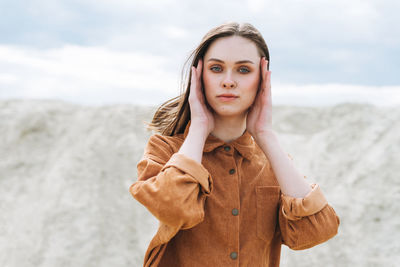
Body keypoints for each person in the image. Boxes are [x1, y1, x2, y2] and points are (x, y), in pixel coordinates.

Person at [129, 22, 340, 267]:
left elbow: (317, 232)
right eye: (216, 68)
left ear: (262, 79)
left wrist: (265, 134)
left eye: (243, 70)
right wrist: (198, 127)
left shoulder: (273, 162)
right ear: (199, 75)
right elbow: (175, 209)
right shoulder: (165, 149)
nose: (228, 81)